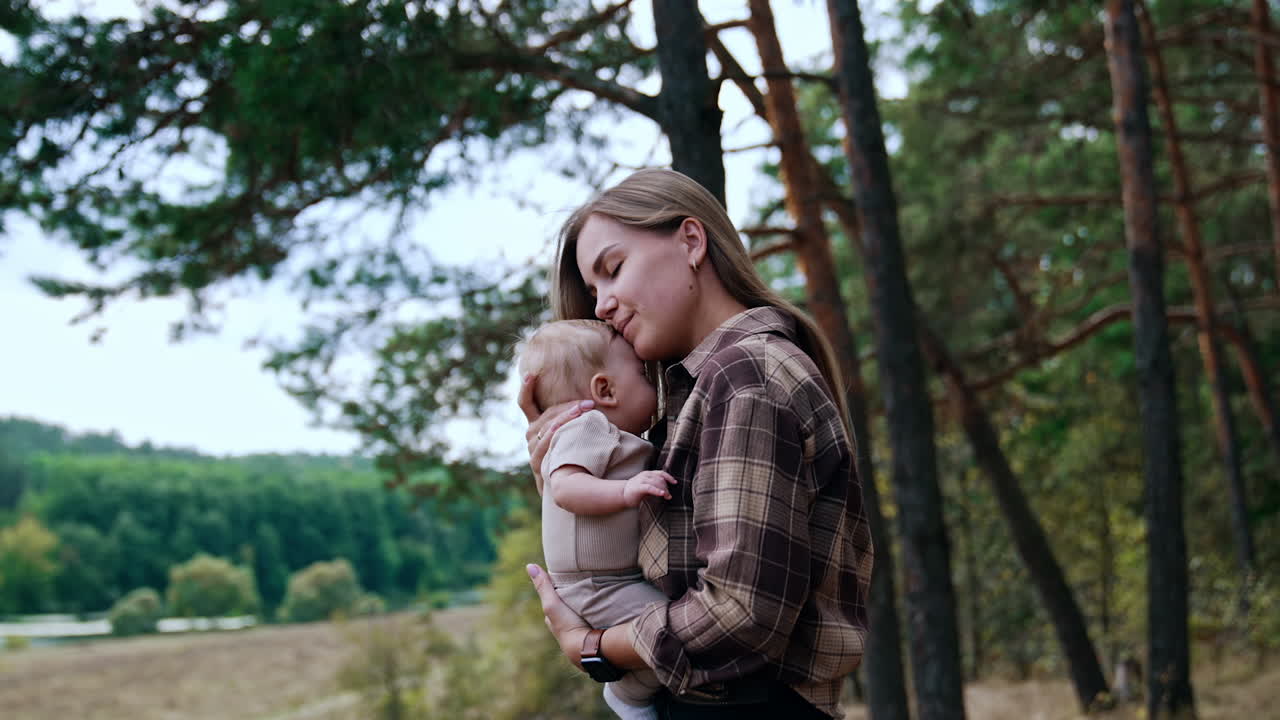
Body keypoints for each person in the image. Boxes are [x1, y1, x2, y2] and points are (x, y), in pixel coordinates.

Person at [519, 168, 873, 720]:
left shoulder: (744, 374)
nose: (604, 305)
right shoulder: (700, 391)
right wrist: (563, 467)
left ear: (691, 241)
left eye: (614, 270)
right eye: (594, 292)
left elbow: (739, 615)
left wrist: (591, 647)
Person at [516, 319, 677, 720]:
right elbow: (567, 489)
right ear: (604, 390)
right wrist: (626, 491)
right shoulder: (588, 425)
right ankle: (628, 700)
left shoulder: (608, 436)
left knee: (663, 635)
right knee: (670, 633)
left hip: (610, 580)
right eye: (642, 375)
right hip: (596, 585)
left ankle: (631, 695)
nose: (653, 384)